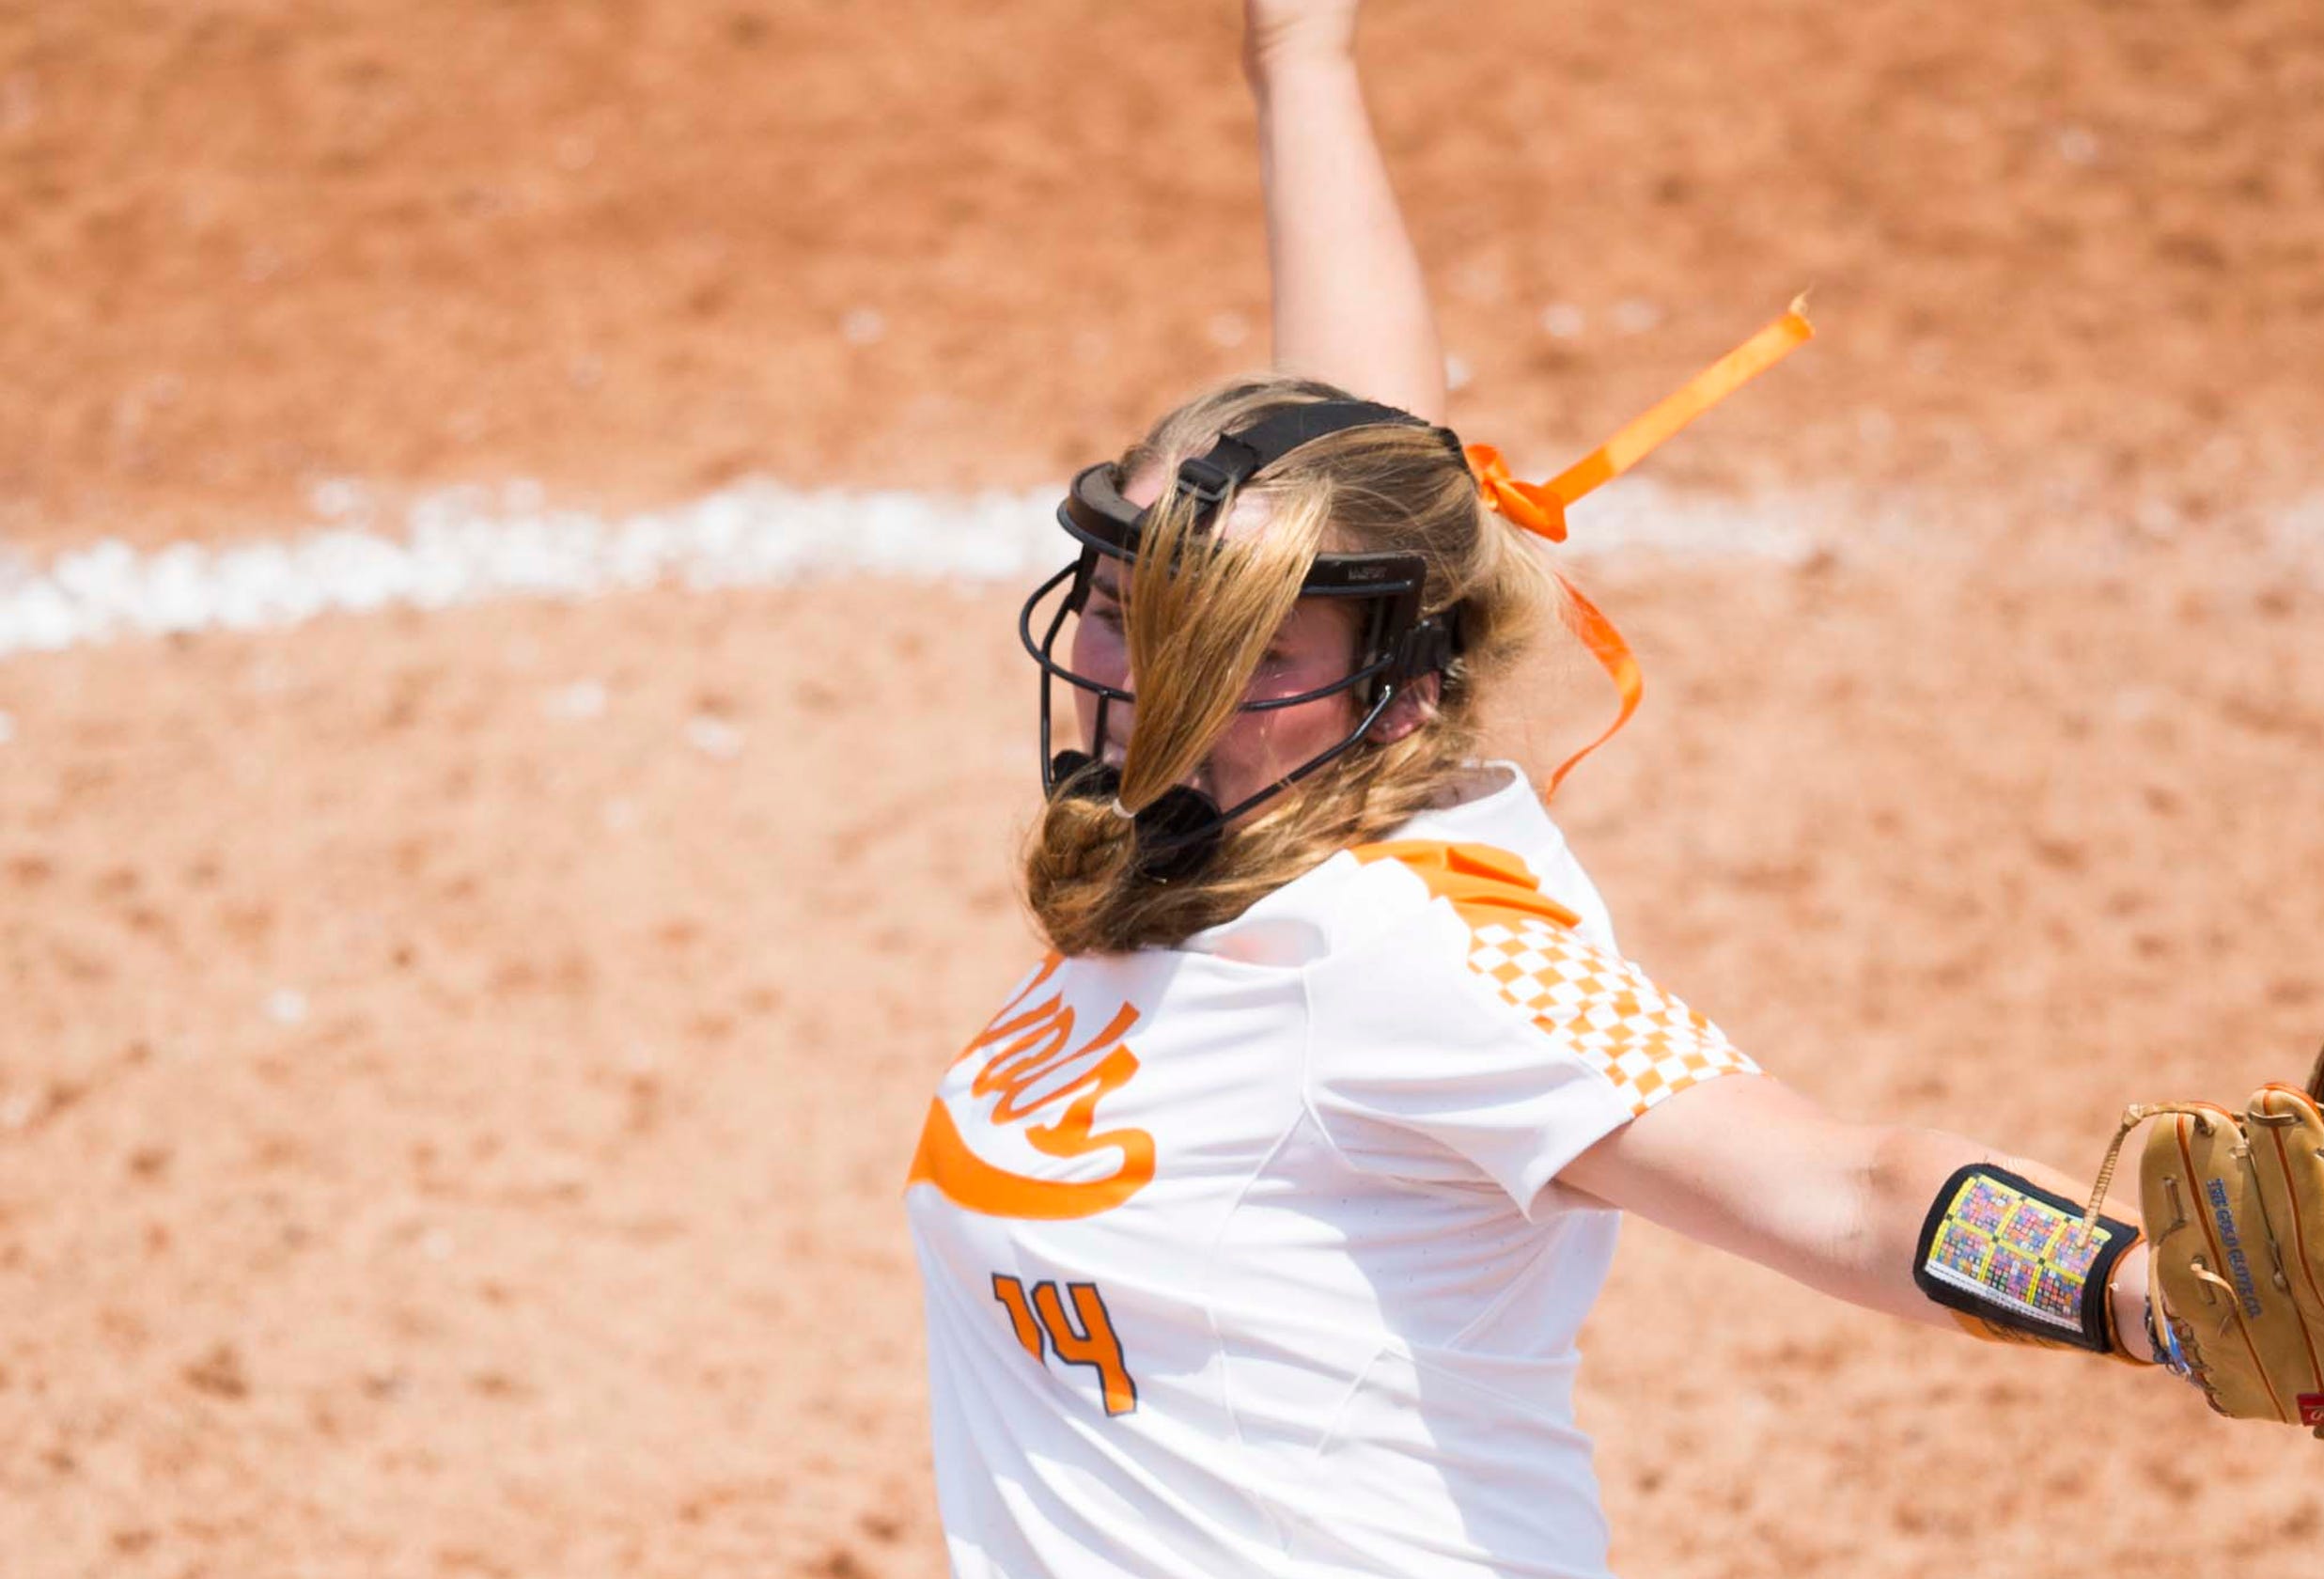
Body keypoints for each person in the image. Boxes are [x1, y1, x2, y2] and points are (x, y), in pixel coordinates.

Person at [902, 5, 2158, 1574]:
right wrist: (1301, 56)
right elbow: (1370, 440)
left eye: (1240, 646)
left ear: (1398, 687)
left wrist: (2157, 1293)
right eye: (1125, 604)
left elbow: (1840, 1190)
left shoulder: (1417, 953)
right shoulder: (1227, 832)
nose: (1150, 676)